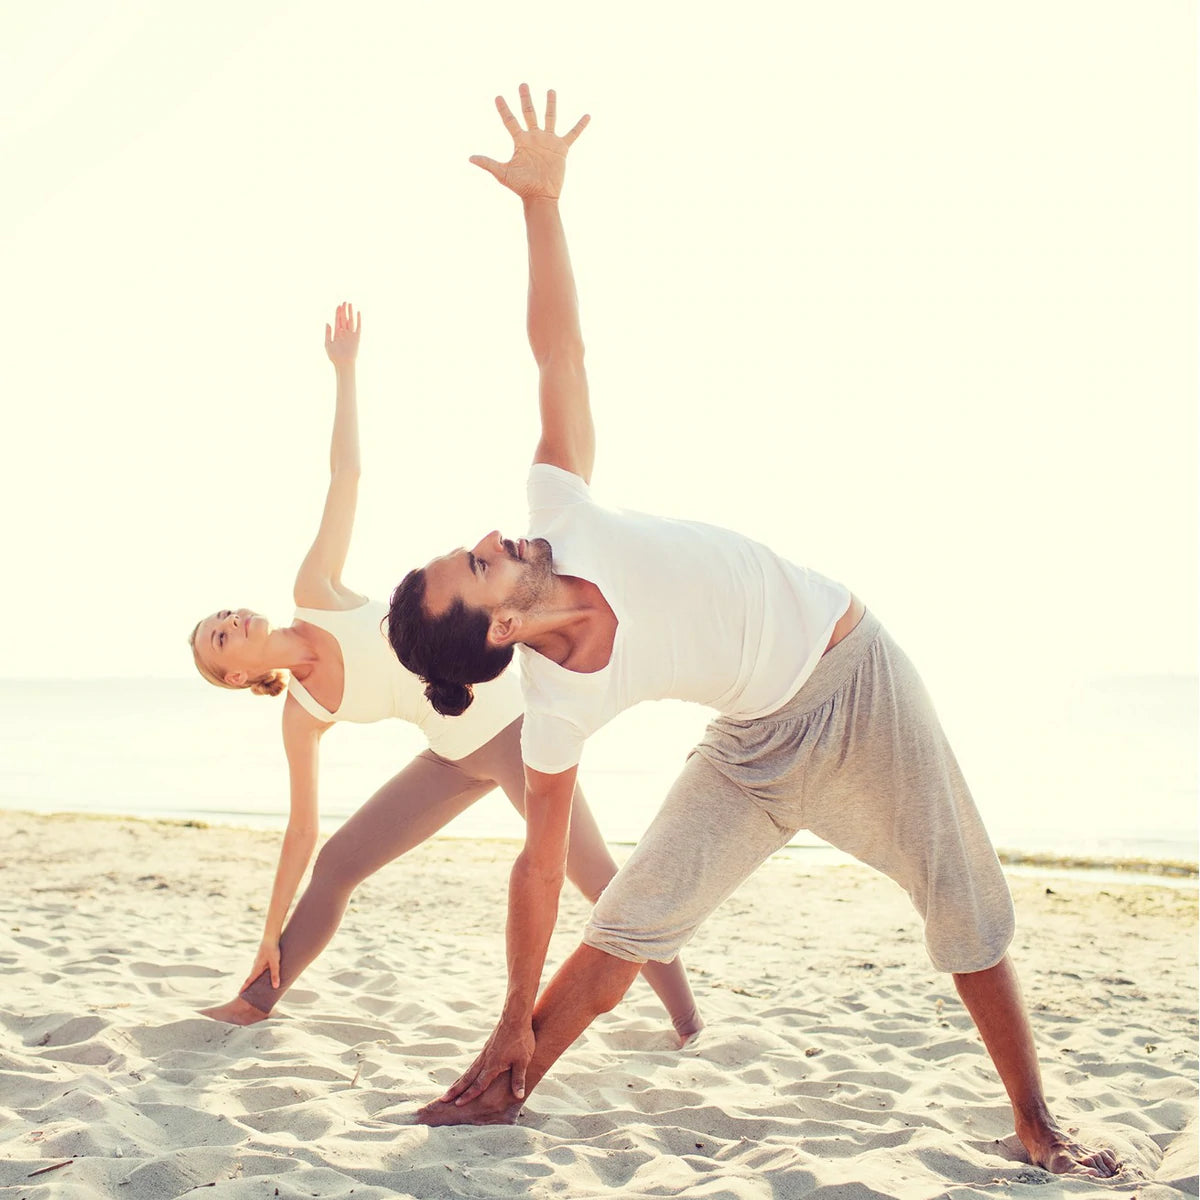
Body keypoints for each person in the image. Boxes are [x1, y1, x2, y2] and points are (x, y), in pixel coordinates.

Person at [384, 85, 1119, 1180]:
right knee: (629, 919)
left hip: (853, 676)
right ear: (493, 635)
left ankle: (1036, 1120)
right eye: (479, 564)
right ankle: (504, 1085)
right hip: (753, 748)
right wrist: (509, 1018)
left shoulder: (561, 511)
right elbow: (538, 872)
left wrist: (541, 206)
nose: (496, 537)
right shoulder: (554, 707)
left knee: (961, 893)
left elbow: (561, 356)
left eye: (477, 543)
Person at [188, 301, 700, 1039]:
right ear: (235, 677)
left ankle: (687, 1022)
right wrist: (267, 930)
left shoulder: (316, 595)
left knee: (597, 880)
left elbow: (347, 472)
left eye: (225, 616)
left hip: (512, 731)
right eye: (219, 638)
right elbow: (299, 834)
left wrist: (346, 372)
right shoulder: (301, 713)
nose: (232, 621)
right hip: (451, 754)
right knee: (336, 864)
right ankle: (254, 999)